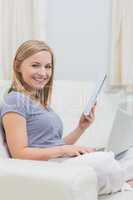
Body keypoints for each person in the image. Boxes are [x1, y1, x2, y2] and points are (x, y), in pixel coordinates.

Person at [0, 40, 133, 195]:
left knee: (128, 154)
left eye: (48, 66)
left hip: (59, 161)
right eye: (35, 65)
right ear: (18, 66)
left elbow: (54, 145)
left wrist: (81, 128)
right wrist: (64, 149)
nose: (43, 73)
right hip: (49, 168)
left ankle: (118, 179)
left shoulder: (40, 103)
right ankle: (123, 182)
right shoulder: (14, 100)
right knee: (103, 161)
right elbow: (19, 154)